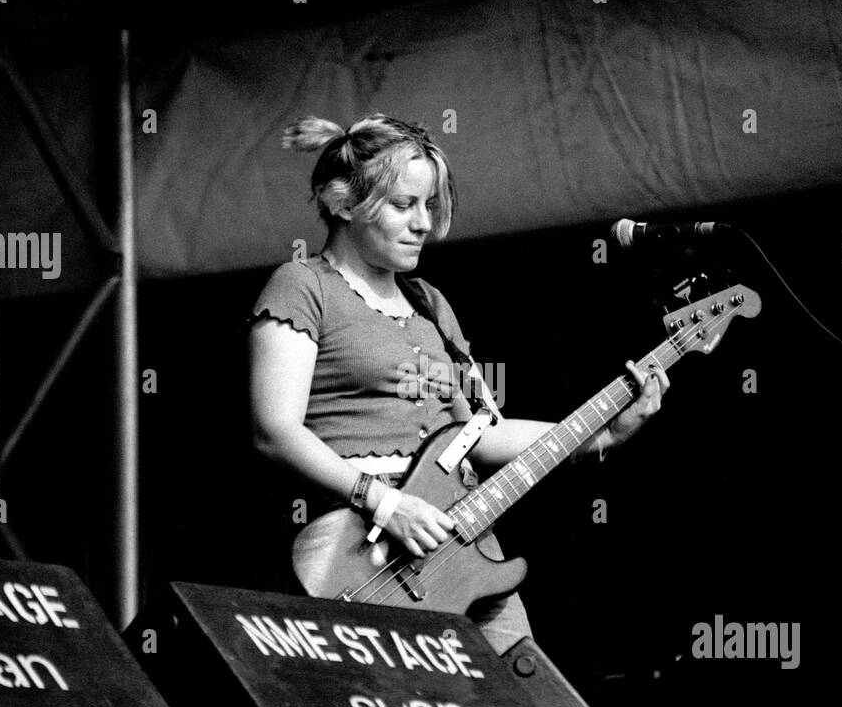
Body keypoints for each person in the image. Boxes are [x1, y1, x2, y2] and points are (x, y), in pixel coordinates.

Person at [248, 114, 669, 654]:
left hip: (461, 549)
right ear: (341, 203)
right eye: (404, 205)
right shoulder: (302, 285)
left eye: (430, 205)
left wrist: (604, 434)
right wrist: (384, 503)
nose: (423, 223)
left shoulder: (430, 303)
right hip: (360, 554)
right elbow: (274, 431)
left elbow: (479, 433)